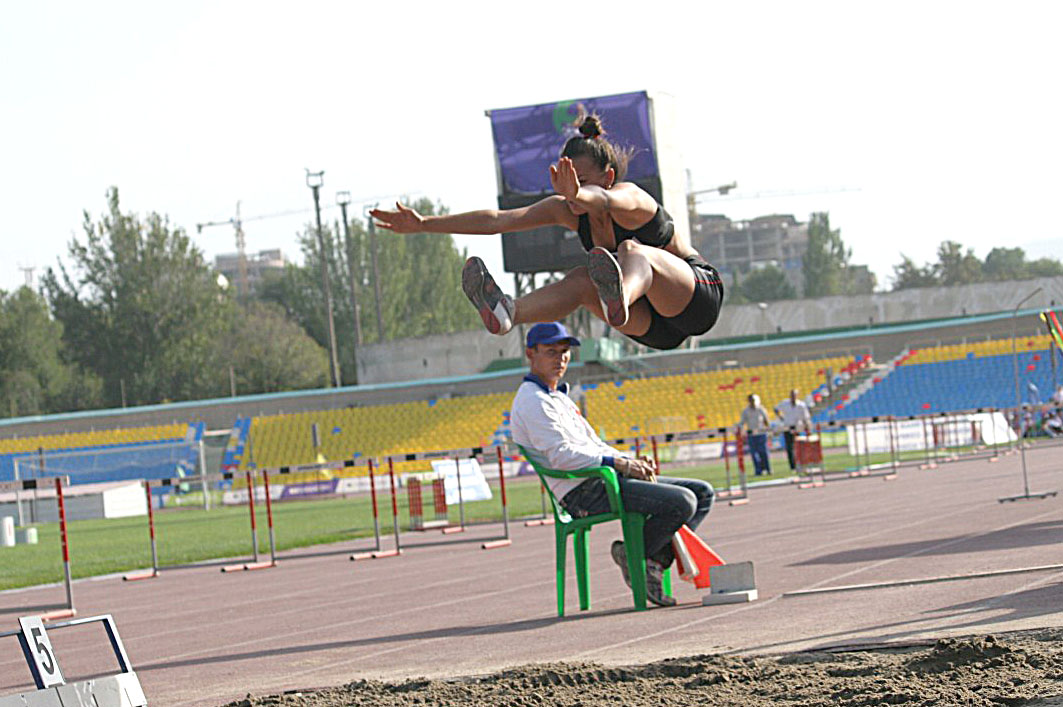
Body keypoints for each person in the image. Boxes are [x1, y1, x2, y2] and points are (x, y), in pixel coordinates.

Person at [371, 114, 725, 351]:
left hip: (696, 300)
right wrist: (425, 224)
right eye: (564, 183)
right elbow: (498, 220)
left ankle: (621, 296)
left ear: (607, 178)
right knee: (579, 280)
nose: (568, 194)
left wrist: (577, 193)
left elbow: (600, 200)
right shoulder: (565, 208)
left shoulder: (633, 199)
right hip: (656, 331)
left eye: (580, 182)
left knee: (633, 249)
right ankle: (509, 311)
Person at [509, 322, 714, 607]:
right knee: (683, 502)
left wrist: (628, 460)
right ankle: (638, 558)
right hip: (581, 491)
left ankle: (649, 560)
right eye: (551, 352)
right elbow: (562, 456)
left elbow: (595, 445)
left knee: (702, 493)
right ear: (531, 354)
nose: (560, 359)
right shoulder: (533, 402)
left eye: (565, 352)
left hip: (602, 479)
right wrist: (617, 463)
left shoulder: (558, 398)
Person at [774, 389, 812, 471]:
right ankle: (793, 466)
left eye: (794, 395)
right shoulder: (785, 403)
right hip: (787, 426)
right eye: (791, 395)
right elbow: (776, 408)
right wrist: (781, 417)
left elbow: (806, 417)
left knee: (799, 446)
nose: (792, 397)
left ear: (797, 396)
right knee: (789, 447)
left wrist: (807, 427)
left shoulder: (801, 405)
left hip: (798, 427)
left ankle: (802, 463)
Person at [739, 394, 772, 476]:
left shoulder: (761, 409)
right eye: (750, 400)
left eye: (753, 400)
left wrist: (769, 431)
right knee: (754, 454)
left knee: (763, 452)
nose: (752, 402)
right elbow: (742, 422)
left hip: (761, 434)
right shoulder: (746, 411)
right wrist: (741, 431)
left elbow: (766, 420)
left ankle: (768, 469)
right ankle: (758, 471)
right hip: (751, 435)